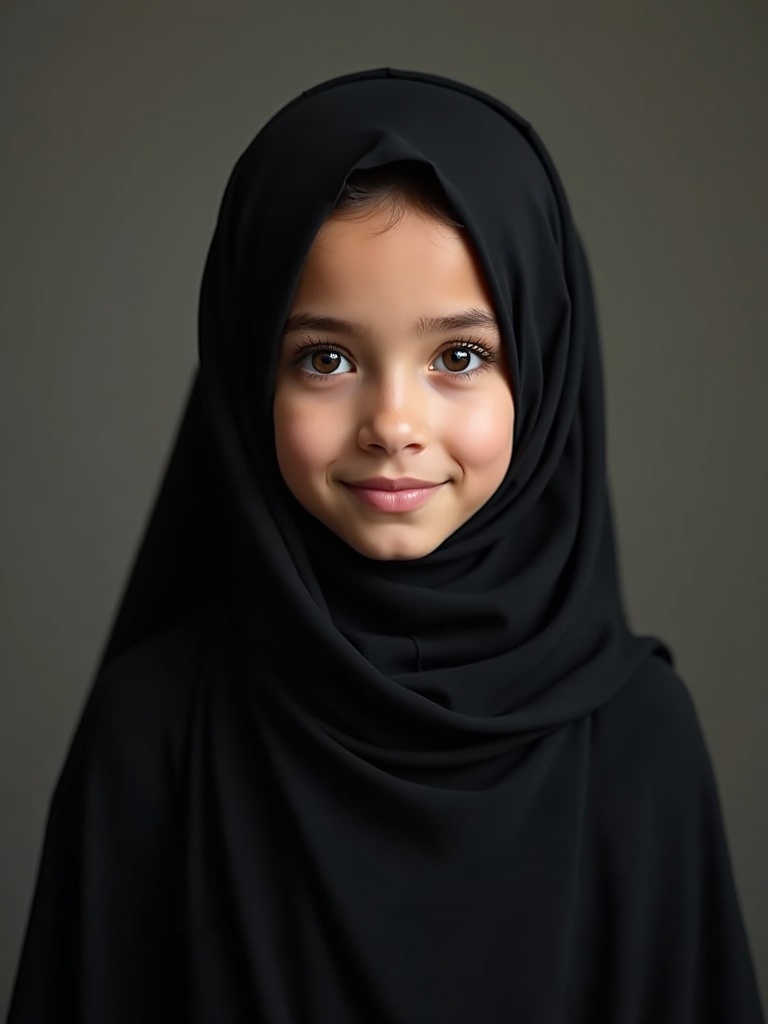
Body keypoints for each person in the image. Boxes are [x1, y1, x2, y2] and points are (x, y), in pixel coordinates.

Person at [7, 68, 764, 1024]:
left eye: (459, 356)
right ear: (246, 380)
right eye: (326, 358)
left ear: (543, 364)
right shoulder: (155, 733)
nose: (392, 423)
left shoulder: (636, 741)